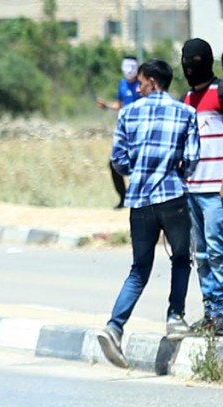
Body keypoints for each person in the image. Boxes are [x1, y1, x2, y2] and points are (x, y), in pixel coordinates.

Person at [97, 59, 200, 368]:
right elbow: (193, 160)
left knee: (139, 268)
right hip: (172, 197)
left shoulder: (128, 112)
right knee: (181, 258)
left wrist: (138, 169)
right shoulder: (186, 112)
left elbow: (118, 161)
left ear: (153, 82)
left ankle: (114, 327)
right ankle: (175, 317)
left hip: (139, 200)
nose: (137, 87)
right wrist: (176, 170)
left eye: (141, 82)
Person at [181, 38, 223, 336]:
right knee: (202, 255)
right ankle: (212, 312)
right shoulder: (185, 100)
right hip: (192, 190)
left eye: (194, 62)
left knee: (219, 251)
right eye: (186, 62)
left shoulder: (220, 93)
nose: (189, 68)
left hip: (216, 191)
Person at [97, 56, 142, 209]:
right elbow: (120, 104)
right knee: (114, 163)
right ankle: (123, 197)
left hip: (140, 131)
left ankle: (138, 197)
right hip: (124, 131)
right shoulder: (122, 84)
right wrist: (107, 106)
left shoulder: (142, 85)